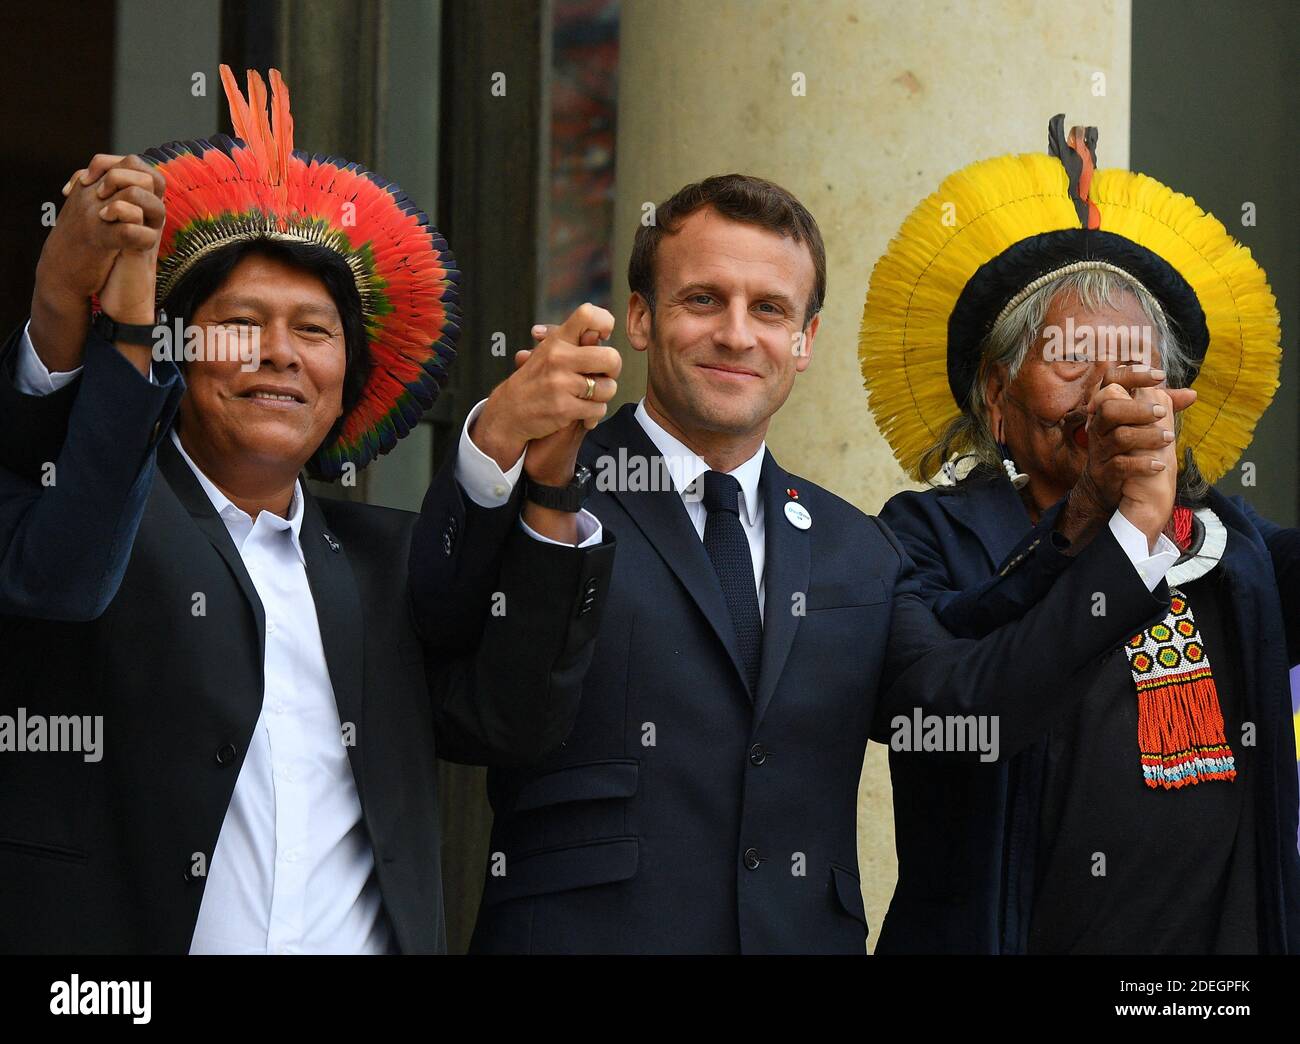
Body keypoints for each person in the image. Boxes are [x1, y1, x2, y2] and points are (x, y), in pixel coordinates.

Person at [456, 172, 1179, 954]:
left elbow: (963, 715)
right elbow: (453, 653)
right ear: (639, 317)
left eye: (769, 309)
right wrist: (493, 443)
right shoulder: (550, 481)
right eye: (703, 299)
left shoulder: (854, 546)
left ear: (805, 342)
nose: (737, 334)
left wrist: (1125, 534)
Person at [0, 66, 617, 954]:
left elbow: (513, 719)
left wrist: (531, 462)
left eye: (316, 331)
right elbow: (60, 512)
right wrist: (73, 302)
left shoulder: (385, 567)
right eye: (242, 323)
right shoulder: (94, 528)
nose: (281, 354)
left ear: (345, 385)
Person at [860, 115, 1300, 954]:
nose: (1109, 394)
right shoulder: (923, 539)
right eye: (1072, 360)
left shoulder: (1231, 543)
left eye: (1134, 362)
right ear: (996, 394)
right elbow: (958, 713)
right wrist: (1113, 527)